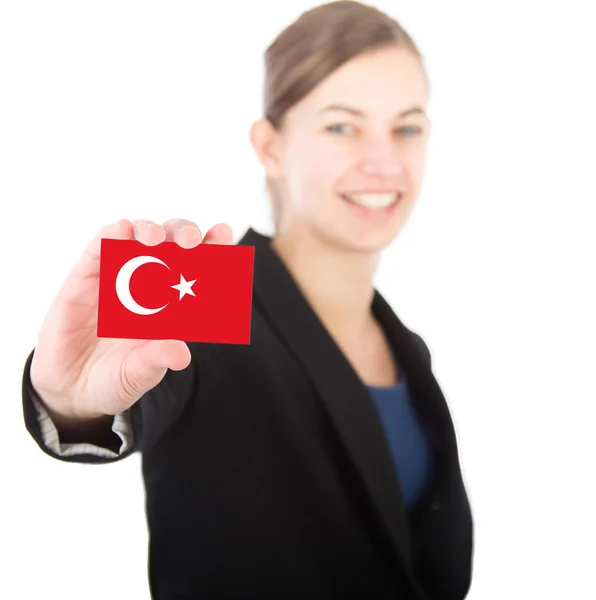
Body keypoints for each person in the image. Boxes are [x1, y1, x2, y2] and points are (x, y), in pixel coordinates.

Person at [21, 2, 474, 598]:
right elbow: (130, 395)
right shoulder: (207, 298)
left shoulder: (408, 348)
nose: (384, 160)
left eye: (406, 127)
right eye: (342, 125)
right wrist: (68, 402)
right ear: (271, 147)